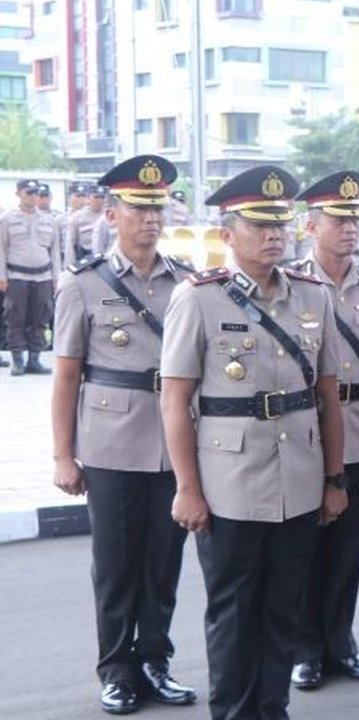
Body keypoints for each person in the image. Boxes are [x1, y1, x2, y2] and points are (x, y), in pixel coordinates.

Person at [162, 164, 349, 720]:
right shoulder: (198, 299)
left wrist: (334, 479)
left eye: (280, 225)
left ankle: (272, 709)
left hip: (298, 477)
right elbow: (174, 402)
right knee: (234, 612)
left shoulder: (313, 298)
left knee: (283, 610)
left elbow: (328, 397)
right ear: (227, 234)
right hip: (231, 485)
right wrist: (187, 489)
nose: (273, 235)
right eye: (259, 225)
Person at [50, 155, 197, 716]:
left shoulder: (186, 281)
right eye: (138, 209)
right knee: (115, 566)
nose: (150, 219)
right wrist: (64, 455)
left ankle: (155, 661)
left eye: (157, 208)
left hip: (174, 446)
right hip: (110, 445)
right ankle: (115, 669)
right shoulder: (83, 285)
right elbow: (66, 377)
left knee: (163, 563)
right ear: (113, 214)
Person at [287, 170, 359, 690]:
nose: (350, 228)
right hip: (308, 432)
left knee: (349, 546)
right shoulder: (292, 286)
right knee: (309, 546)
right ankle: (306, 648)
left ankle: (341, 642)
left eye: (356, 218)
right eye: (338, 218)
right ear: (311, 225)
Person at [1, 178, 60, 374]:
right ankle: (18, 359)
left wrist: (56, 277)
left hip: (42, 276)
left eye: (36, 193)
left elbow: (54, 251)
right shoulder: (7, 219)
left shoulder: (48, 219)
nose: (33, 197)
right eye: (29, 193)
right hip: (16, 275)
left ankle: (35, 359)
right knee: (15, 317)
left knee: (41, 317)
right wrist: (2, 276)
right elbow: (1, 249)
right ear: (18, 193)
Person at [65, 184, 108, 266]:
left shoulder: (109, 216)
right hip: (86, 261)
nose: (99, 200)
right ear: (88, 198)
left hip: (106, 261)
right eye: (96, 197)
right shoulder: (77, 217)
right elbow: (70, 245)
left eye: (102, 197)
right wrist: (70, 268)